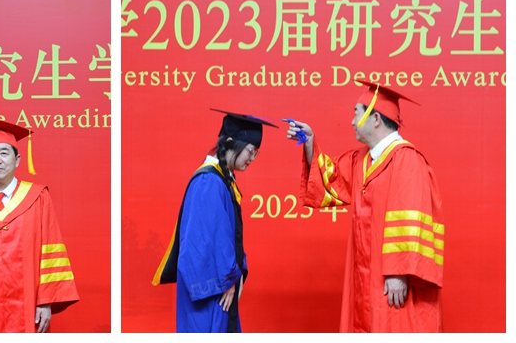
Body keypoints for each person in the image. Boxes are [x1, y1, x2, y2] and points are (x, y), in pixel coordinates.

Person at [287, 82, 444, 332]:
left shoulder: (406, 160)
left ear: (376, 119)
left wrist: (398, 273)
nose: (352, 121)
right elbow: (330, 177)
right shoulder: (363, 159)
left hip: (390, 279)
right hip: (365, 276)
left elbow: (411, 217)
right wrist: (309, 141)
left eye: (356, 114)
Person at [153, 110, 278, 332]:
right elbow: (206, 240)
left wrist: (234, 276)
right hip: (211, 291)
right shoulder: (208, 181)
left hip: (219, 288)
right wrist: (227, 278)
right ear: (230, 143)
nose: (252, 158)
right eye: (250, 151)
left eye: (256, 153)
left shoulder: (222, 179)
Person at [0, 121, 79, 332]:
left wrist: (45, 301)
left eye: (4, 153)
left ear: (17, 159)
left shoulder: (38, 197)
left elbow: (50, 247)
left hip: (28, 303)